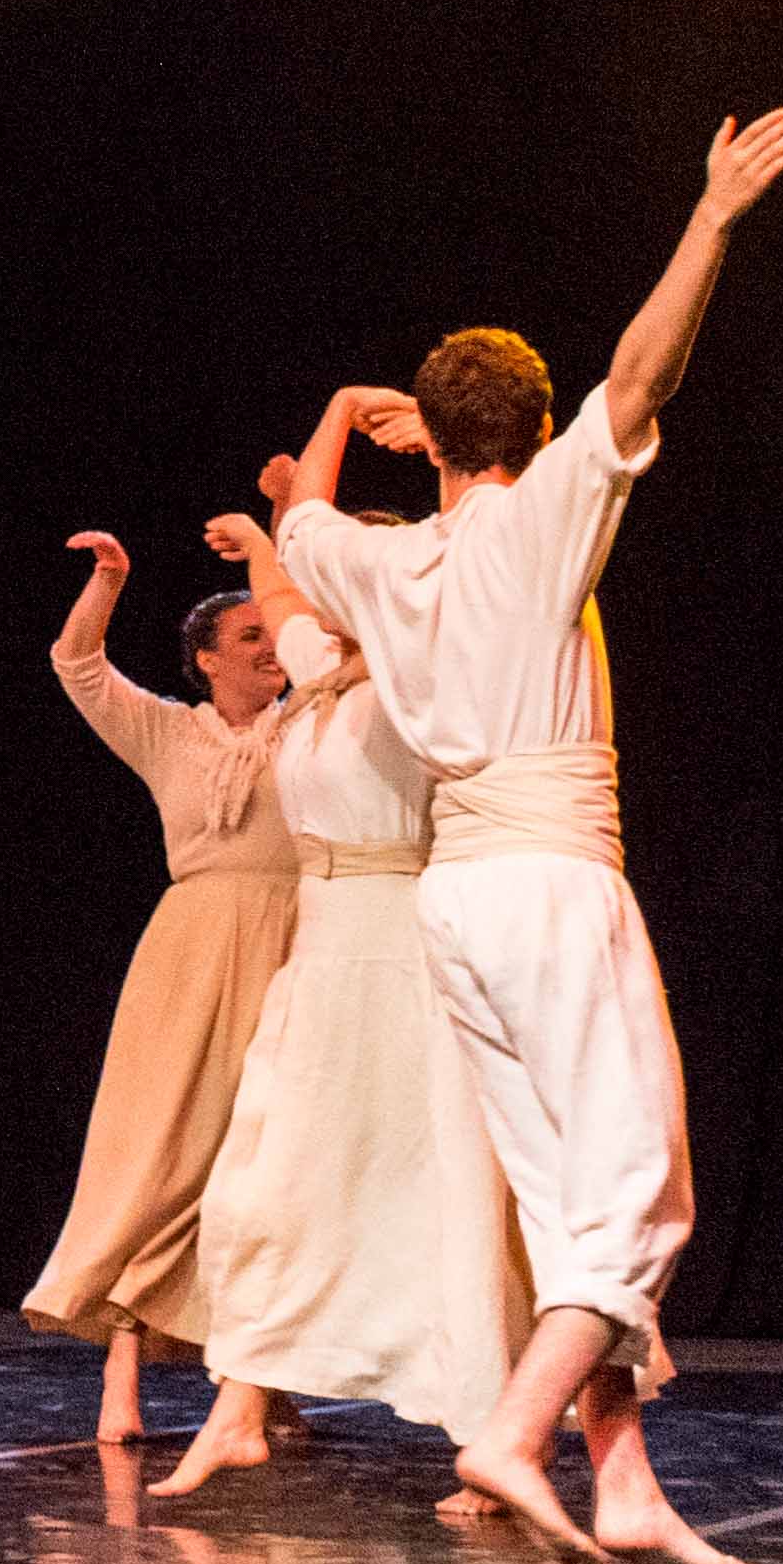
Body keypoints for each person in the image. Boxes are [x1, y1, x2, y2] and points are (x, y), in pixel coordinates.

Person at [273, 107, 783, 1564]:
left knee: (573, 1201)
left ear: (432, 440)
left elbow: (299, 513)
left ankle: (623, 1479)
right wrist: (710, 215)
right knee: (642, 1195)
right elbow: (643, 375)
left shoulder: (375, 560)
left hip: (455, 899)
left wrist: (362, 419)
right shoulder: (540, 524)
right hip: (553, 881)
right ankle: (513, 1434)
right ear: (534, 427)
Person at [164, 492, 531, 1490]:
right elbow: (282, 579)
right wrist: (273, 513)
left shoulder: (427, 675)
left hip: (405, 942)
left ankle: (486, 1434)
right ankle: (241, 1403)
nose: (312, 598)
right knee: (270, 1181)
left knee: (436, 1188)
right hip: (323, 949)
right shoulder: (322, 674)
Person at [21, 534, 306, 1443]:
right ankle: (123, 1365)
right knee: (163, 1157)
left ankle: (267, 1375)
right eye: (251, 635)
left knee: (270, 1168)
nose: (271, 648)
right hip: (190, 952)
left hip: (299, 946)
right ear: (207, 660)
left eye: (277, 633)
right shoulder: (168, 730)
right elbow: (77, 662)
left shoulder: (315, 720)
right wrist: (109, 581)